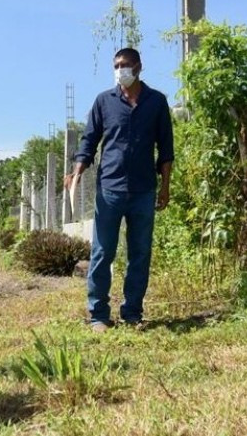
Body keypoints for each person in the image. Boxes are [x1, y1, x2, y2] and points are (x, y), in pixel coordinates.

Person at [66, 47, 174, 332]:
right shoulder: (104, 101)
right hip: (110, 190)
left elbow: (166, 149)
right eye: (116, 65)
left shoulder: (157, 102)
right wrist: (78, 168)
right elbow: (89, 141)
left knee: (140, 253)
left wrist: (165, 187)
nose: (120, 70)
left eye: (125, 64)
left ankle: (132, 313)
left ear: (139, 66)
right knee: (103, 253)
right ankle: (98, 314)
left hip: (143, 190)